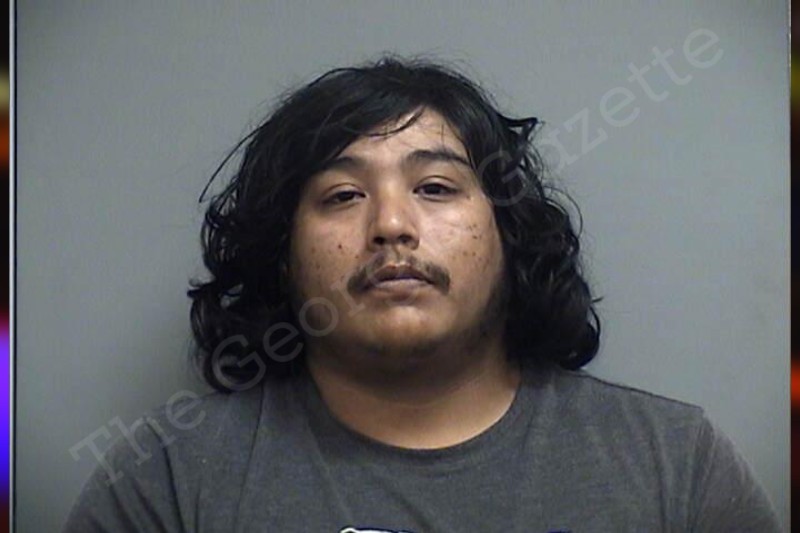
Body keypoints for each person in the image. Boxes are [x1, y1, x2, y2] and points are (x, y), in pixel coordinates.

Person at [64, 57, 781, 532]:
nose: (392, 225)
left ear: (507, 232)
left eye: (435, 187)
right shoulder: (166, 477)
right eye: (342, 195)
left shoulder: (674, 463)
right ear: (283, 255)